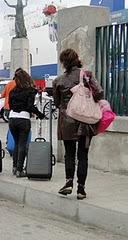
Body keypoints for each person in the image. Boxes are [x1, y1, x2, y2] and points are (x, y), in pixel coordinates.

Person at [53, 49, 103, 200]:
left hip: (67, 121)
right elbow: (100, 93)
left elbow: (57, 103)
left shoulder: (58, 81)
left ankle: (68, 183)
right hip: (85, 121)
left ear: (63, 62)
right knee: (83, 155)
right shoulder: (86, 75)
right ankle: (81, 189)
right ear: (77, 59)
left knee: (69, 153)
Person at [9, 68, 45, 177]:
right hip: (23, 119)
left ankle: (15, 168)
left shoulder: (12, 91)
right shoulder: (30, 90)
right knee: (22, 145)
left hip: (12, 118)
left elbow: (10, 105)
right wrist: (40, 114)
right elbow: (30, 106)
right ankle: (20, 170)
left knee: (16, 143)